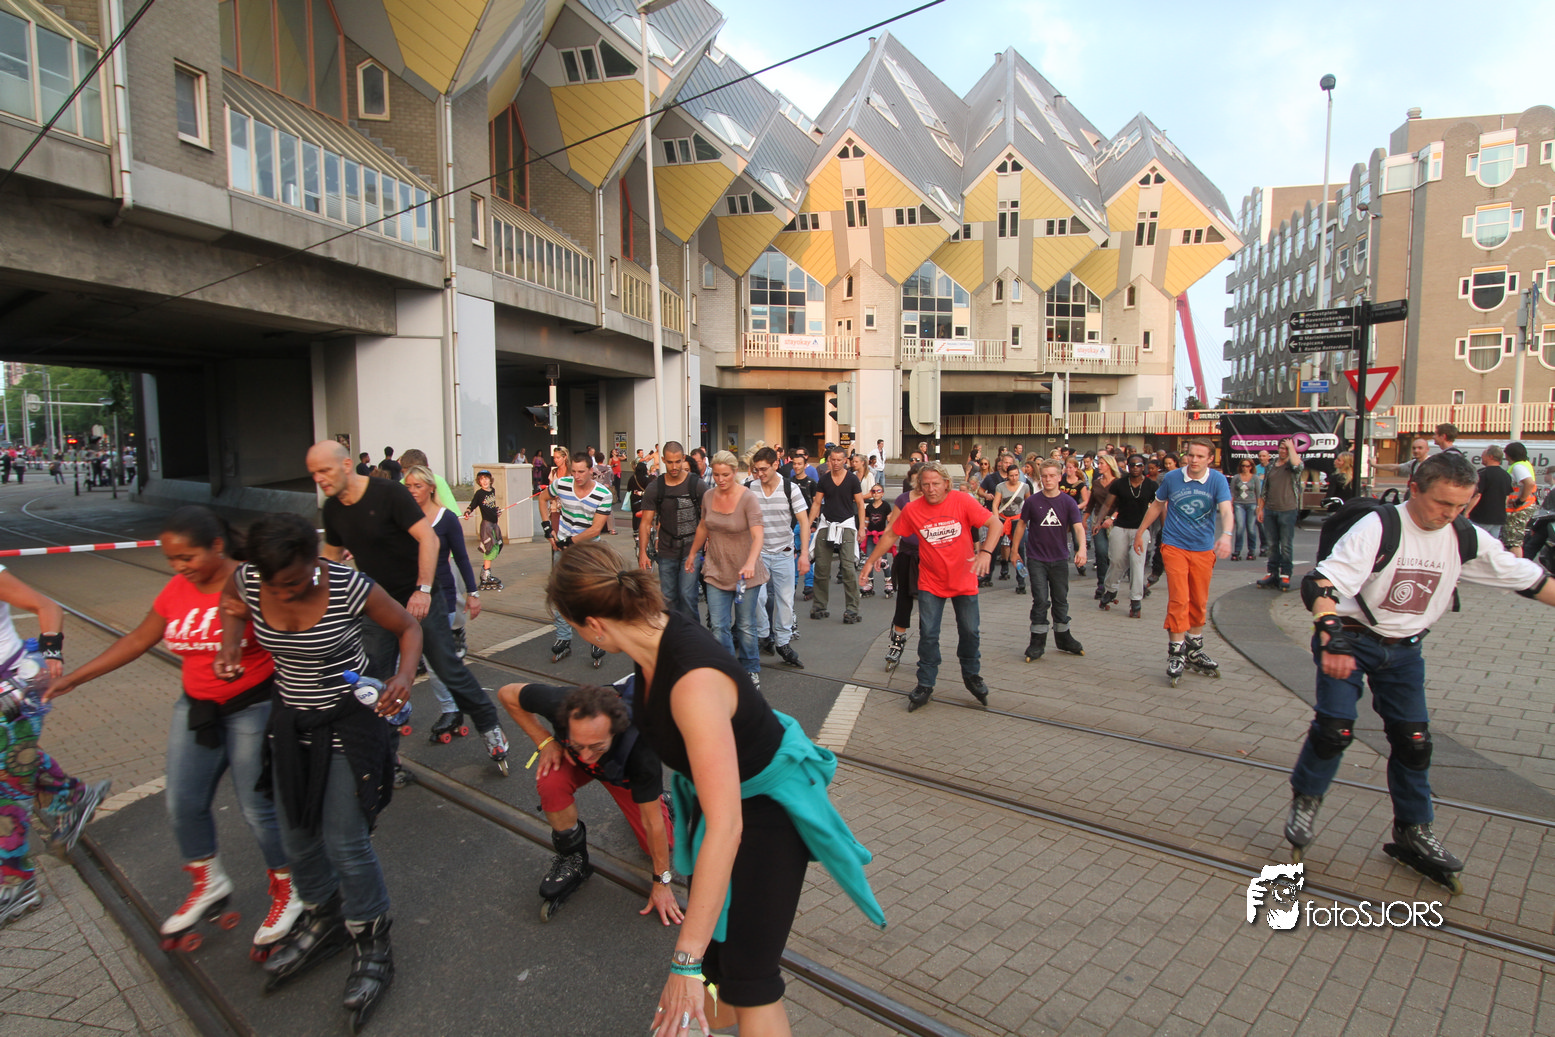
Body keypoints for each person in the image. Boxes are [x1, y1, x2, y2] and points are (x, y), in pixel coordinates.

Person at [543, 544, 883, 1037]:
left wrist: (683, 960)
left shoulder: (692, 683)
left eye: (573, 627)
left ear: (594, 625)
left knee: (749, 981)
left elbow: (728, 827)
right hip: (729, 805)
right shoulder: (653, 638)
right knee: (719, 973)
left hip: (765, 819)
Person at [1283, 452, 1555, 891]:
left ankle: (1413, 829)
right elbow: (1321, 582)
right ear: (1414, 489)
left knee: (1414, 742)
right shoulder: (1378, 527)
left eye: (1461, 505)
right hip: (1350, 637)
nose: (1450, 514)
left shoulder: (1463, 535)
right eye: (1442, 503)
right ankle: (1307, 799)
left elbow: (1530, 580)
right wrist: (1328, 631)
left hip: (1405, 649)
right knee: (1335, 728)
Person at [45, 507, 300, 958]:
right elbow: (137, 640)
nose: (179, 567)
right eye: (172, 560)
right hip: (196, 709)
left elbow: (295, 630)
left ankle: (290, 888)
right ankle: (209, 882)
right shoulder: (176, 589)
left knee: (256, 806)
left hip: (252, 707)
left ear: (216, 546)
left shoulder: (251, 580)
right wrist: (75, 678)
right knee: (182, 801)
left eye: (187, 557)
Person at [215, 514, 420, 1025]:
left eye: (292, 581)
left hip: (348, 723)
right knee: (297, 835)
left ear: (314, 560)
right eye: (273, 585)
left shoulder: (349, 585)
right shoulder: (249, 578)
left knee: (345, 839)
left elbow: (408, 627)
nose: (282, 593)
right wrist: (230, 643)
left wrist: (403, 677)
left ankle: (372, 940)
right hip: (291, 725)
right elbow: (231, 604)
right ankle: (325, 917)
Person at [304, 441, 510, 773]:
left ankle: (489, 726)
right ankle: (387, 756)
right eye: (313, 473)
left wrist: (423, 590)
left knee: (447, 668)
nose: (319, 479)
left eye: (324, 470)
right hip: (377, 606)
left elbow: (429, 539)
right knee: (376, 682)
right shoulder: (333, 509)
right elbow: (330, 562)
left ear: (345, 466)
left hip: (420, 597)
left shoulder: (389, 494)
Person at [495, 678, 679, 923]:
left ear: (615, 731)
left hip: (622, 772)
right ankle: (573, 857)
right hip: (571, 762)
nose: (586, 755)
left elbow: (652, 822)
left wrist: (662, 882)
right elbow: (507, 694)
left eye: (596, 746)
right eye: (578, 744)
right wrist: (545, 741)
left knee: (659, 844)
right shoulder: (558, 702)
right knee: (551, 782)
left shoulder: (641, 752)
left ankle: (660, 798)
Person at [0, 575, 108, 930]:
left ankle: (17, 884)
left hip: (14, 688)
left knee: (6, 788)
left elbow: (46, 606)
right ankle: (73, 798)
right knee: (16, 762)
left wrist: (51, 653)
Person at [861, 462, 1000, 711]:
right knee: (928, 634)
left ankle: (971, 675)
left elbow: (996, 524)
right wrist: (870, 561)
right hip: (931, 581)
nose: (931, 489)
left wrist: (986, 553)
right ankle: (925, 683)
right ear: (919, 486)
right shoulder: (913, 509)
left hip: (964, 579)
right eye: (925, 484)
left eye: (936, 484)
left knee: (970, 632)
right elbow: (891, 535)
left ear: (946, 483)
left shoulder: (962, 501)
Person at [1134, 439, 1232, 684]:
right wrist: (1141, 531)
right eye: (1191, 455)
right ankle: (1176, 651)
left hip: (1203, 548)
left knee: (1199, 599)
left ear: (1210, 459)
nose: (1194, 460)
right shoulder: (1172, 478)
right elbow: (1157, 505)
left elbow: (1226, 509)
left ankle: (1194, 648)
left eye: (1200, 456)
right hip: (1174, 545)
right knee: (1179, 598)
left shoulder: (1217, 480)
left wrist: (1227, 535)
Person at [404, 466, 483, 743]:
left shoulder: (446, 518)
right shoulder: (403, 516)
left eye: (417, 486)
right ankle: (399, 709)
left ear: (431, 488)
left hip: (442, 596)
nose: (412, 491)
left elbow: (461, 557)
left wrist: (473, 593)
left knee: (433, 659)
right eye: (408, 486)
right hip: (408, 596)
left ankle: (451, 709)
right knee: (400, 658)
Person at [688, 451, 767, 686]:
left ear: (735, 472)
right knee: (718, 625)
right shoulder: (708, 496)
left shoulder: (747, 498)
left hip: (745, 573)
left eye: (726, 475)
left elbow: (758, 535)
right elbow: (703, 526)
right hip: (716, 568)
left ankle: (750, 668)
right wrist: (692, 553)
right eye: (717, 475)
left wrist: (751, 562)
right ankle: (727, 669)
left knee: (745, 625)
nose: (721, 480)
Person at [538, 453, 614, 664]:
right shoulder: (562, 484)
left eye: (581, 472)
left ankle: (597, 638)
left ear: (591, 471)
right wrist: (547, 528)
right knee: (560, 594)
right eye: (574, 472)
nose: (577, 476)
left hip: (588, 550)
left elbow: (596, 529)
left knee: (590, 596)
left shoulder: (603, 494)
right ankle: (563, 637)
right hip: (563, 546)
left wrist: (569, 542)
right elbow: (542, 498)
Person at [1011, 460, 1086, 661]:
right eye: (1044, 476)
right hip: (1036, 558)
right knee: (1041, 600)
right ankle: (1037, 641)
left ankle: (1063, 637)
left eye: (1052, 475)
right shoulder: (1032, 502)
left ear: (1060, 477)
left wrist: (1082, 549)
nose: (1048, 479)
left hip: (1059, 559)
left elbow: (1078, 527)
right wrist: (1014, 551)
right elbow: (1021, 525)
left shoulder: (1068, 502)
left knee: (1061, 599)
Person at [744, 447, 809, 668]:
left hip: (784, 553)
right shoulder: (749, 488)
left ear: (775, 465)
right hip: (758, 554)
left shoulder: (791, 489)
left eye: (763, 469)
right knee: (757, 598)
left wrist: (804, 554)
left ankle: (783, 642)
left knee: (785, 601)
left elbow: (804, 522)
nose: (759, 474)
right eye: (756, 469)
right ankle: (764, 634)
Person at [637, 443, 706, 621]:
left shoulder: (696, 485)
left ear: (683, 459)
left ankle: (692, 634)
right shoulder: (655, 487)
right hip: (666, 549)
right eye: (669, 462)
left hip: (691, 548)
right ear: (663, 460)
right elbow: (645, 523)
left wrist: (708, 542)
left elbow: (707, 519)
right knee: (668, 598)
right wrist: (643, 552)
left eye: (677, 461)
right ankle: (674, 633)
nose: (674, 466)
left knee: (687, 596)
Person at [807, 446, 865, 624]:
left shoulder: (852, 479)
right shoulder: (824, 479)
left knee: (848, 568)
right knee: (821, 567)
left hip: (846, 524)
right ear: (829, 460)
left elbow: (860, 504)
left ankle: (852, 608)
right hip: (827, 523)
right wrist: (808, 525)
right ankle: (819, 605)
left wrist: (862, 528)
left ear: (845, 460)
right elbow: (817, 503)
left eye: (840, 460)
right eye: (833, 459)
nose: (836, 463)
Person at [1098, 455, 1157, 618]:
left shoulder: (1151, 485)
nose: (1135, 467)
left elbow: (1159, 507)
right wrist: (1098, 521)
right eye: (1132, 465)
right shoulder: (1119, 484)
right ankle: (1110, 590)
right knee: (1116, 560)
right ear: (1128, 466)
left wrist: (1165, 529)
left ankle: (1136, 600)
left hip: (1141, 529)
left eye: (1139, 465)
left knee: (1137, 562)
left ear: (1143, 466)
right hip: (1120, 527)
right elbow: (1107, 504)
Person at [1257, 438, 1303, 592]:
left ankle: (1285, 573)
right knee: (1272, 544)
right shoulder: (1271, 466)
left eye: (1286, 448)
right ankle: (1272, 573)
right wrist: (1260, 508)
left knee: (1286, 545)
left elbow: (1297, 465)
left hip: (1287, 510)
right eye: (1281, 448)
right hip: (1270, 509)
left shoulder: (1292, 464)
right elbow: (1265, 489)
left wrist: (1291, 448)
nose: (1283, 451)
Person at [462, 470, 509, 591]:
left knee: (497, 546)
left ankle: (486, 573)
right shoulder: (479, 493)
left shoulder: (492, 491)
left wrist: (496, 511)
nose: (484, 481)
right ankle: (485, 574)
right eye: (481, 479)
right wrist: (467, 512)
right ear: (479, 481)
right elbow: (472, 505)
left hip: (494, 524)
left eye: (486, 478)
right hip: (487, 526)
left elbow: (491, 506)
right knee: (490, 548)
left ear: (490, 480)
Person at [991, 462, 1032, 591]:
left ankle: (1021, 580)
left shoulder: (1024, 487)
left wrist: (1026, 518)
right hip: (1003, 518)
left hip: (1017, 520)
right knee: (994, 546)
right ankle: (987, 575)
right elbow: (995, 504)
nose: (1014, 478)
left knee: (1020, 548)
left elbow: (1029, 503)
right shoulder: (1000, 487)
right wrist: (996, 520)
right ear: (1007, 476)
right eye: (1011, 475)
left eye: (1016, 475)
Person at [1085, 454, 1119, 599]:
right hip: (1098, 519)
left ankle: (1113, 583)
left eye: (1102, 463)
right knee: (1101, 551)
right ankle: (1101, 584)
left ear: (1110, 465)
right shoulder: (1097, 483)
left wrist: (1112, 518)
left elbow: (1123, 504)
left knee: (1115, 554)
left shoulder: (1118, 483)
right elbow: (1091, 503)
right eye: (1098, 463)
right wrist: (1084, 519)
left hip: (1115, 521)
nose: (1099, 466)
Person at [1469, 445, 1511, 542]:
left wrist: (1467, 512)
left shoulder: (1482, 473)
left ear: (1490, 456)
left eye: (1483, 455)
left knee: (1476, 542)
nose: (1481, 457)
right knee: (1492, 544)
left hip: (1481, 517)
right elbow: (1506, 498)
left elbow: (1477, 495)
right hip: (1498, 518)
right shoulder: (1506, 475)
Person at [1503, 442, 1537, 555]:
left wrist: (1519, 501)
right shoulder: (1525, 464)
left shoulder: (1518, 467)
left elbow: (1529, 483)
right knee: (1513, 541)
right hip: (1524, 506)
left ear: (1509, 455)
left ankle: (1516, 564)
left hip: (1518, 509)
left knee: (1513, 542)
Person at [859, 484, 892, 597]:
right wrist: (863, 532)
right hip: (871, 536)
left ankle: (888, 581)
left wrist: (889, 533)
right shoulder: (869, 507)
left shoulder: (886, 506)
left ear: (882, 493)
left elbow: (890, 520)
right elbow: (867, 521)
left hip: (882, 536)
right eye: (873, 491)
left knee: (883, 561)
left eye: (878, 491)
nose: (876, 493)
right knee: (869, 559)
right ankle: (869, 582)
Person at [1230, 459, 1261, 561]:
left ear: (1251, 467)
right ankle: (1237, 550)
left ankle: (1251, 550)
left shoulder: (1255, 478)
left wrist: (1259, 507)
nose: (1245, 468)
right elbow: (1232, 493)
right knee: (1240, 527)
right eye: (1243, 466)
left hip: (1252, 504)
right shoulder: (1236, 478)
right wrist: (1230, 506)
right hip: (1239, 504)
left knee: (1251, 528)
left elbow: (1258, 494)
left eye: (1247, 466)